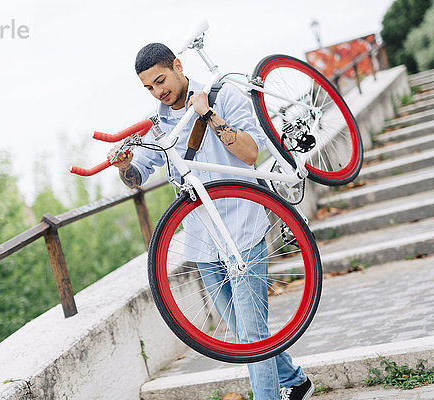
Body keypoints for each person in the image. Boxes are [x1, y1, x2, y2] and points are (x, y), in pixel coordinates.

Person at [109, 43, 314, 400]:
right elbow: (138, 175)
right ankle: (296, 381)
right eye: (150, 87)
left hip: (243, 228)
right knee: (240, 330)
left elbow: (251, 153)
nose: (159, 91)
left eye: (161, 80)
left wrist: (208, 115)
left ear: (177, 65)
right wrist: (125, 165)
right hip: (203, 238)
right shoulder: (155, 124)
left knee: (253, 336)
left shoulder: (223, 95)